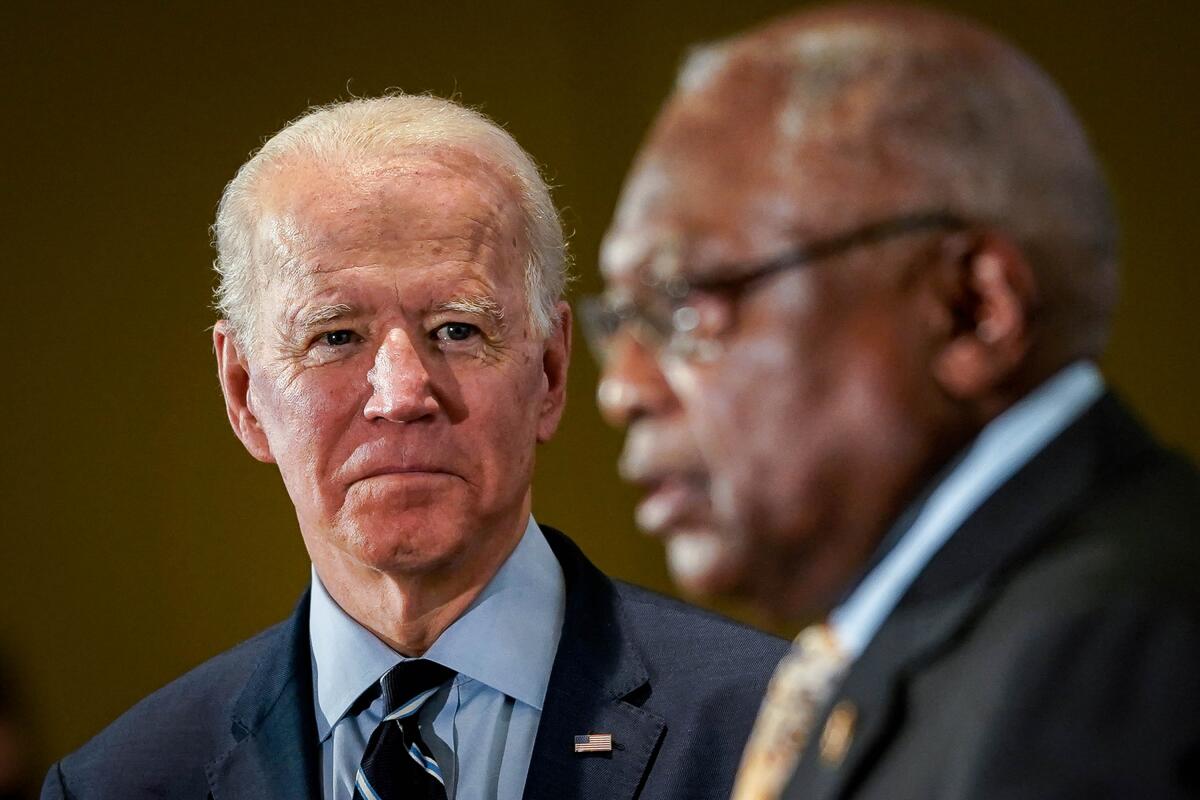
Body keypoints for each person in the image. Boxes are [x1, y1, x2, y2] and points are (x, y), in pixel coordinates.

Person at [42, 94, 786, 800]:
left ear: (551, 372)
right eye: (335, 337)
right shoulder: (119, 782)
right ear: (243, 393)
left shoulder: (771, 733)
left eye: (457, 330)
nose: (401, 396)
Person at [588, 4, 1200, 798]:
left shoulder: (1118, 658)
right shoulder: (906, 654)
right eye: (621, 320)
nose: (622, 389)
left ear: (970, 308)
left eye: (685, 303)